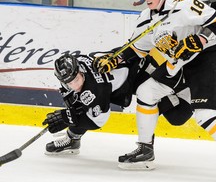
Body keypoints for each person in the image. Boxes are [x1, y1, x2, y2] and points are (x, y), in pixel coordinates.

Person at [94, 0, 216, 180]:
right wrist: (115, 60)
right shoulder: (146, 18)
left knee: (204, 114)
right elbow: (136, 49)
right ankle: (145, 150)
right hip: (177, 64)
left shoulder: (184, 2)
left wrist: (200, 40)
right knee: (146, 91)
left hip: (205, 59)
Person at [43, 53, 192, 155]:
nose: (74, 85)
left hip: (144, 74)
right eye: (68, 83)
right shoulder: (76, 68)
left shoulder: (95, 89)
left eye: (76, 80)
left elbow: (97, 121)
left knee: (176, 117)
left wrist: (67, 118)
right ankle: (72, 139)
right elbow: (75, 102)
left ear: (80, 71)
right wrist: (69, 115)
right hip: (129, 72)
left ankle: (185, 95)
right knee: (77, 106)